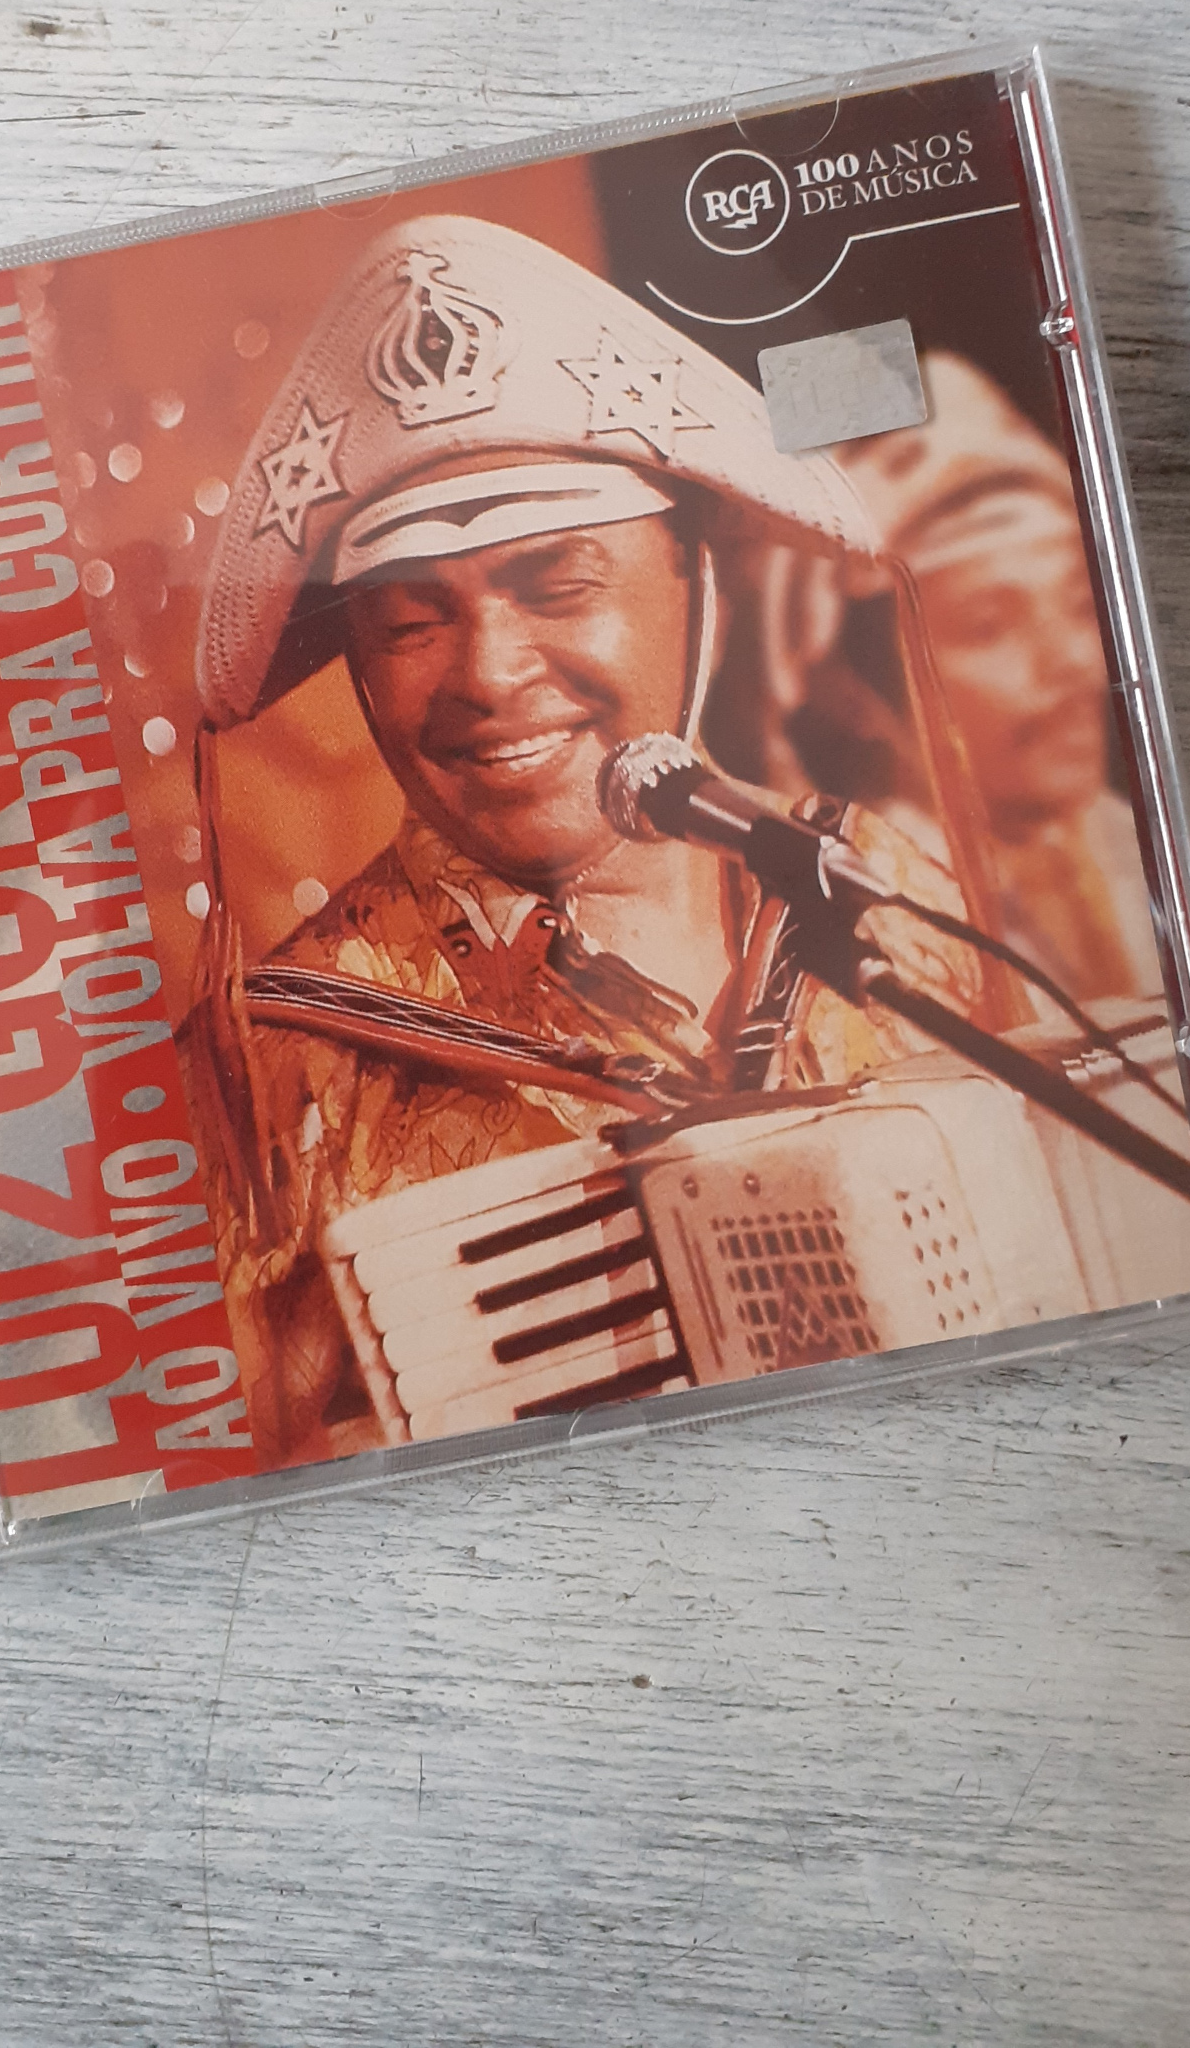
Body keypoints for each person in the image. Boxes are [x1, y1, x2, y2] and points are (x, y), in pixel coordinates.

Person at [182, 217, 984, 1465]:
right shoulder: (270, 1065)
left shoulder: (883, 887)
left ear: (697, 586)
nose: (487, 676)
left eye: (558, 588)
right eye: (408, 626)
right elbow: (235, 1479)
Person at [830, 353, 1165, 1009]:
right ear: (855, 692)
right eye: (989, 625)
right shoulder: (875, 919)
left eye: (1077, 606)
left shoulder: (1133, 844)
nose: (1073, 663)